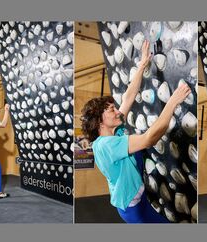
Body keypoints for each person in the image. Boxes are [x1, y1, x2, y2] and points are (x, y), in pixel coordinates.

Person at [80, 40, 191, 223]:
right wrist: (172, 101)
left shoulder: (114, 130)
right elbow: (149, 138)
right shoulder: (105, 145)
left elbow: (128, 97)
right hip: (132, 210)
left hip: (140, 201)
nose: (117, 112)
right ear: (100, 121)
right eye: (111, 111)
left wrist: (141, 66)